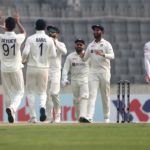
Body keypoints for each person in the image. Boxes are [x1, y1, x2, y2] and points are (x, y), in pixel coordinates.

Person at [22, 19, 56, 123]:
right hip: (44, 68)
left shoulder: (30, 39)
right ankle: (42, 107)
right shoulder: (49, 40)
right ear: (45, 28)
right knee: (42, 92)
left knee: (30, 92)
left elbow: (25, 52)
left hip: (32, 67)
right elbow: (54, 55)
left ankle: (33, 117)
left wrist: (24, 60)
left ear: (35, 27)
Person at [79, 24, 115, 123]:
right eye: (95, 30)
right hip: (93, 72)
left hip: (104, 71)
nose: (96, 32)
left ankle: (106, 117)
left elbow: (112, 56)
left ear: (102, 32)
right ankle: (89, 117)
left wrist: (104, 54)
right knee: (92, 94)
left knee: (105, 95)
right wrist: (81, 52)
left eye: (98, 30)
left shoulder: (106, 44)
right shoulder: (91, 45)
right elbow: (85, 59)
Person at [0, 15, 26, 123]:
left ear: (5, 26)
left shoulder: (1, 37)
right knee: (20, 92)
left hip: (4, 69)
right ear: (14, 27)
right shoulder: (17, 37)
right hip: (16, 68)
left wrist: (2, 25)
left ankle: (12, 118)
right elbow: (24, 32)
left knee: (8, 92)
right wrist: (18, 22)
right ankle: (12, 109)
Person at [62, 39, 89, 122]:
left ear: (84, 46)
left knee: (84, 96)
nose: (79, 46)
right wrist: (64, 79)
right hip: (74, 80)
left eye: (81, 44)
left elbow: (94, 67)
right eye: (77, 44)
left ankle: (83, 115)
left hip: (85, 80)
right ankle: (78, 117)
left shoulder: (88, 56)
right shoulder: (70, 57)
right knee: (76, 99)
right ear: (75, 45)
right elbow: (65, 69)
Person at [46, 25, 67, 123]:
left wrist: (55, 43)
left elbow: (64, 52)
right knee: (47, 95)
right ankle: (49, 117)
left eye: (53, 32)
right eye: (50, 32)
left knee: (54, 93)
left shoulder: (61, 44)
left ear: (57, 34)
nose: (51, 34)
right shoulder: (46, 44)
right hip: (46, 70)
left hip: (56, 71)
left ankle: (58, 115)